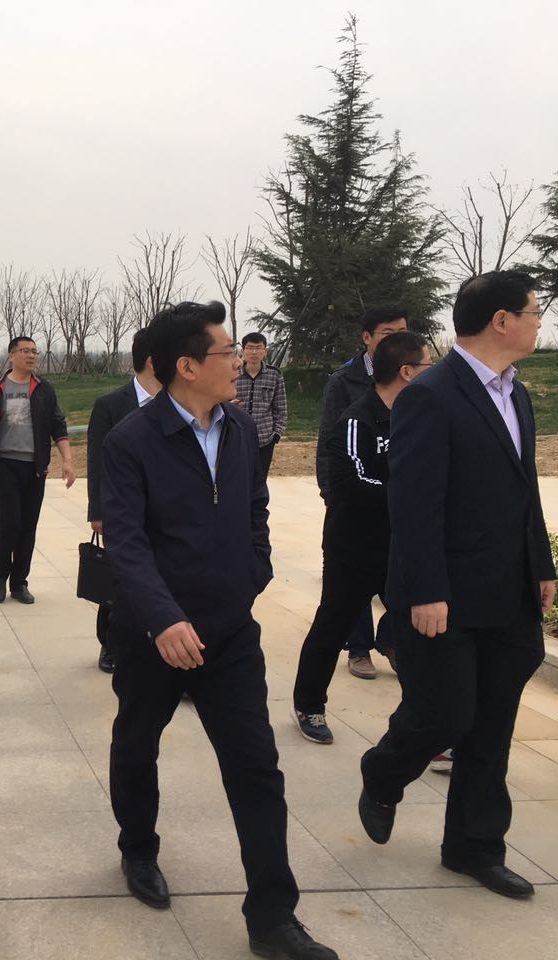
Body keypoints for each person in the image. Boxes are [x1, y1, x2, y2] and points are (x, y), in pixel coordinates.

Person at [103, 303, 337, 960]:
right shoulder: (131, 441)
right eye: (227, 352)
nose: (239, 362)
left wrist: (252, 574)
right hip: (153, 637)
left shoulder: (238, 426)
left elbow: (254, 508)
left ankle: (273, 917)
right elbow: (126, 543)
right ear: (187, 365)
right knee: (136, 744)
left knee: (256, 767)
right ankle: (138, 849)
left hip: (229, 633)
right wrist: (163, 618)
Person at [359, 271, 553, 900]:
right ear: (501, 320)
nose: (539, 321)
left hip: (507, 589)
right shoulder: (431, 394)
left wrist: (542, 565)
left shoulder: (516, 394)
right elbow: (413, 504)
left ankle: (473, 847)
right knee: (446, 712)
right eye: (534, 311)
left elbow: (523, 488)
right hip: (444, 593)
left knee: (491, 724)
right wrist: (425, 591)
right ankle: (383, 770)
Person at [290, 332, 431, 745]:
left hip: (402, 547)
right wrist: (406, 495)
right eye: (427, 365)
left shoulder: (420, 417)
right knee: (332, 626)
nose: (432, 373)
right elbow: (350, 483)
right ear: (407, 372)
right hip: (353, 548)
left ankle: (429, 723)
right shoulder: (358, 419)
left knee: (421, 633)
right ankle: (309, 704)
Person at [316, 306, 408, 678]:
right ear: (367, 338)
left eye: (402, 331)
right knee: (351, 586)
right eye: (388, 333)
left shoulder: (412, 380)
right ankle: (358, 649)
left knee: (398, 579)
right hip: (355, 496)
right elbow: (329, 441)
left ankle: (392, 640)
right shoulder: (344, 381)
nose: (397, 339)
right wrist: (332, 493)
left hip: (394, 500)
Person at [0, 336, 74, 604]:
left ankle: (19, 582)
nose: (32, 356)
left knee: (28, 525)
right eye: (25, 351)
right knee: (10, 521)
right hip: (3, 465)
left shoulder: (44, 389)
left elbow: (58, 425)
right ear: (11, 355)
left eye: (35, 351)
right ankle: (0, 577)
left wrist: (68, 460)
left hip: (35, 467)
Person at [87, 325, 159, 674]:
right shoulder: (111, 405)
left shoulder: (179, 403)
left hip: (166, 511)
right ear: (152, 360)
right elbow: (97, 462)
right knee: (119, 580)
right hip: (123, 511)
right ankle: (110, 643)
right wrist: (98, 511)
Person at [235, 332, 287, 483]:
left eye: (258, 348)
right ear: (243, 350)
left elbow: (281, 407)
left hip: (265, 439)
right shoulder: (233, 374)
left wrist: (276, 434)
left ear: (265, 351)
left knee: (260, 480)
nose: (254, 352)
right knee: (238, 478)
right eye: (250, 348)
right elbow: (219, 401)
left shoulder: (274, 375)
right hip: (237, 437)